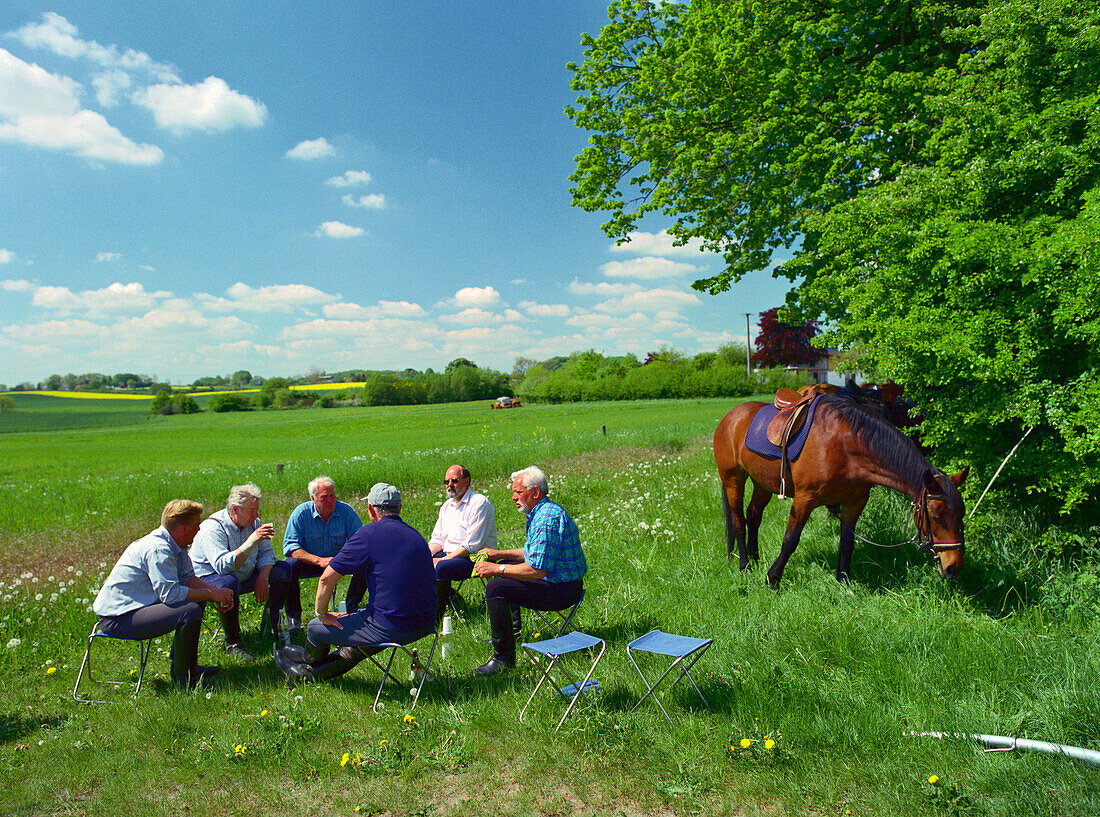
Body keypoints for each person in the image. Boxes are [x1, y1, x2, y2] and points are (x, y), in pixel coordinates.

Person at [273, 483, 436, 686]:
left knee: (315, 628)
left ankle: (306, 665)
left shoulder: (369, 534)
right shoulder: (417, 536)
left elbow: (326, 579)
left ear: (370, 509)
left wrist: (323, 615)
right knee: (355, 649)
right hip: (425, 623)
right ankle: (306, 669)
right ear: (399, 508)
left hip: (390, 626)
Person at [93, 499, 235, 688]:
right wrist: (210, 594)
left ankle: (188, 667)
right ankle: (184, 681)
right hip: (119, 618)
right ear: (184, 528)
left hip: (138, 608)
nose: (200, 530)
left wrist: (215, 592)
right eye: (197, 525)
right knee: (190, 610)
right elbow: (170, 595)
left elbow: (188, 579)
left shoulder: (178, 545)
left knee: (196, 599)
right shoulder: (158, 549)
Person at [473, 466, 587, 675]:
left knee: (496, 587)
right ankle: (511, 631)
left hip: (562, 591)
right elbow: (532, 553)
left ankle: (503, 659)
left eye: (518, 492)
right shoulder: (542, 512)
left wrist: (497, 568)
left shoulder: (546, 519)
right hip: (560, 582)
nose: (514, 497)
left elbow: (537, 570)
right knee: (505, 568)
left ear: (535, 492)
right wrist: (498, 554)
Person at [268, 476, 364, 642]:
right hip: (310, 562)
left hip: (338, 562)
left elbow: (360, 541)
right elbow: (291, 548)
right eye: (324, 497)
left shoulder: (345, 511)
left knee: (365, 563)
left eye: (332, 496)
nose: (329, 501)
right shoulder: (301, 513)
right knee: (288, 566)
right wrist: (319, 560)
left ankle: (352, 609)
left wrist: (341, 559)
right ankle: (293, 619)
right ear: (313, 499)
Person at [189, 483, 276, 659]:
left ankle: (271, 627)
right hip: (208, 578)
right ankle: (233, 642)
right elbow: (223, 566)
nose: (257, 515)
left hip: (243, 573)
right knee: (228, 582)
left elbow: (267, 552)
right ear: (235, 509)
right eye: (252, 511)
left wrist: (263, 576)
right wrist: (251, 541)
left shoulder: (254, 523)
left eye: (257, 510)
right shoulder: (212, 528)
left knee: (282, 571)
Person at [429, 464, 497, 621]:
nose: (449, 485)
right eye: (446, 482)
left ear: (467, 481)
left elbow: (471, 545)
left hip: (475, 557)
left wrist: (442, 560)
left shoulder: (479, 503)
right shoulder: (446, 506)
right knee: (419, 563)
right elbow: (437, 539)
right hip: (450, 554)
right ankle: (450, 598)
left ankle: (435, 620)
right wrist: (425, 555)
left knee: (440, 567)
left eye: (454, 481)